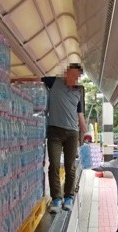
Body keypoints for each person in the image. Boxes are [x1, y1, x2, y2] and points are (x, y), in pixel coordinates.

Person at [42, 63, 88, 213]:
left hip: (72, 133)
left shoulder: (77, 92)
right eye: (73, 75)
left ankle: (69, 197)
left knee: (70, 166)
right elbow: (36, 79)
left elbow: (79, 114)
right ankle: (56, 199)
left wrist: (85, 130)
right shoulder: (54, 82)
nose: (75, 79)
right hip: (54, 132)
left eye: (77, 77)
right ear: (67, 73)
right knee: (54, 165)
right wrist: (14, 79)